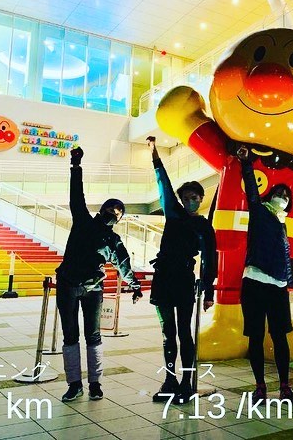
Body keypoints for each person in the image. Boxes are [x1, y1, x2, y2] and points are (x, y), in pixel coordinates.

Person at [56, 146, 142, 403]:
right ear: (102, 209)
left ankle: (95, 383)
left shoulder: (113, 240)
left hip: (93, 289)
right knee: (70, 336)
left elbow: (124, 264)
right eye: (111, 209)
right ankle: (74, 384)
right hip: (68, 285)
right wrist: (76, 166)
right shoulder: (82, 220)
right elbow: (76, 195)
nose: (114, 213)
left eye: (118, 212)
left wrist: (135, 285)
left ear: (119, 219)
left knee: (93, 336)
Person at [147, 137, 217, 404]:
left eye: (194, 198)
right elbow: (163, 183)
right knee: (168, 333)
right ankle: (169, 380)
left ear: (201, 199)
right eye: (185, 198)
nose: (189, 202)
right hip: (163, 277)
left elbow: (209, 259)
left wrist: (208, 291)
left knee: (185, 332)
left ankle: (187, 382)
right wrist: (155, 154)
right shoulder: (173, 214)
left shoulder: (204, 226)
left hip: (185, 280)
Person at [237, 145, 293, 404]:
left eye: (286, 196)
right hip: (254, 283)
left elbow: (284, 256)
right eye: (279, 193)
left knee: (280, 337)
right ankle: (260, 386)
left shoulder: (282, 223)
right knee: (256, 337)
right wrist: (246, 163)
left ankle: (285, 386)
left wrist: (289, 279)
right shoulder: (260, 211)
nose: (282, 197)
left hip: (278, 287)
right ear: (270, 195)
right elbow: (252, 191)